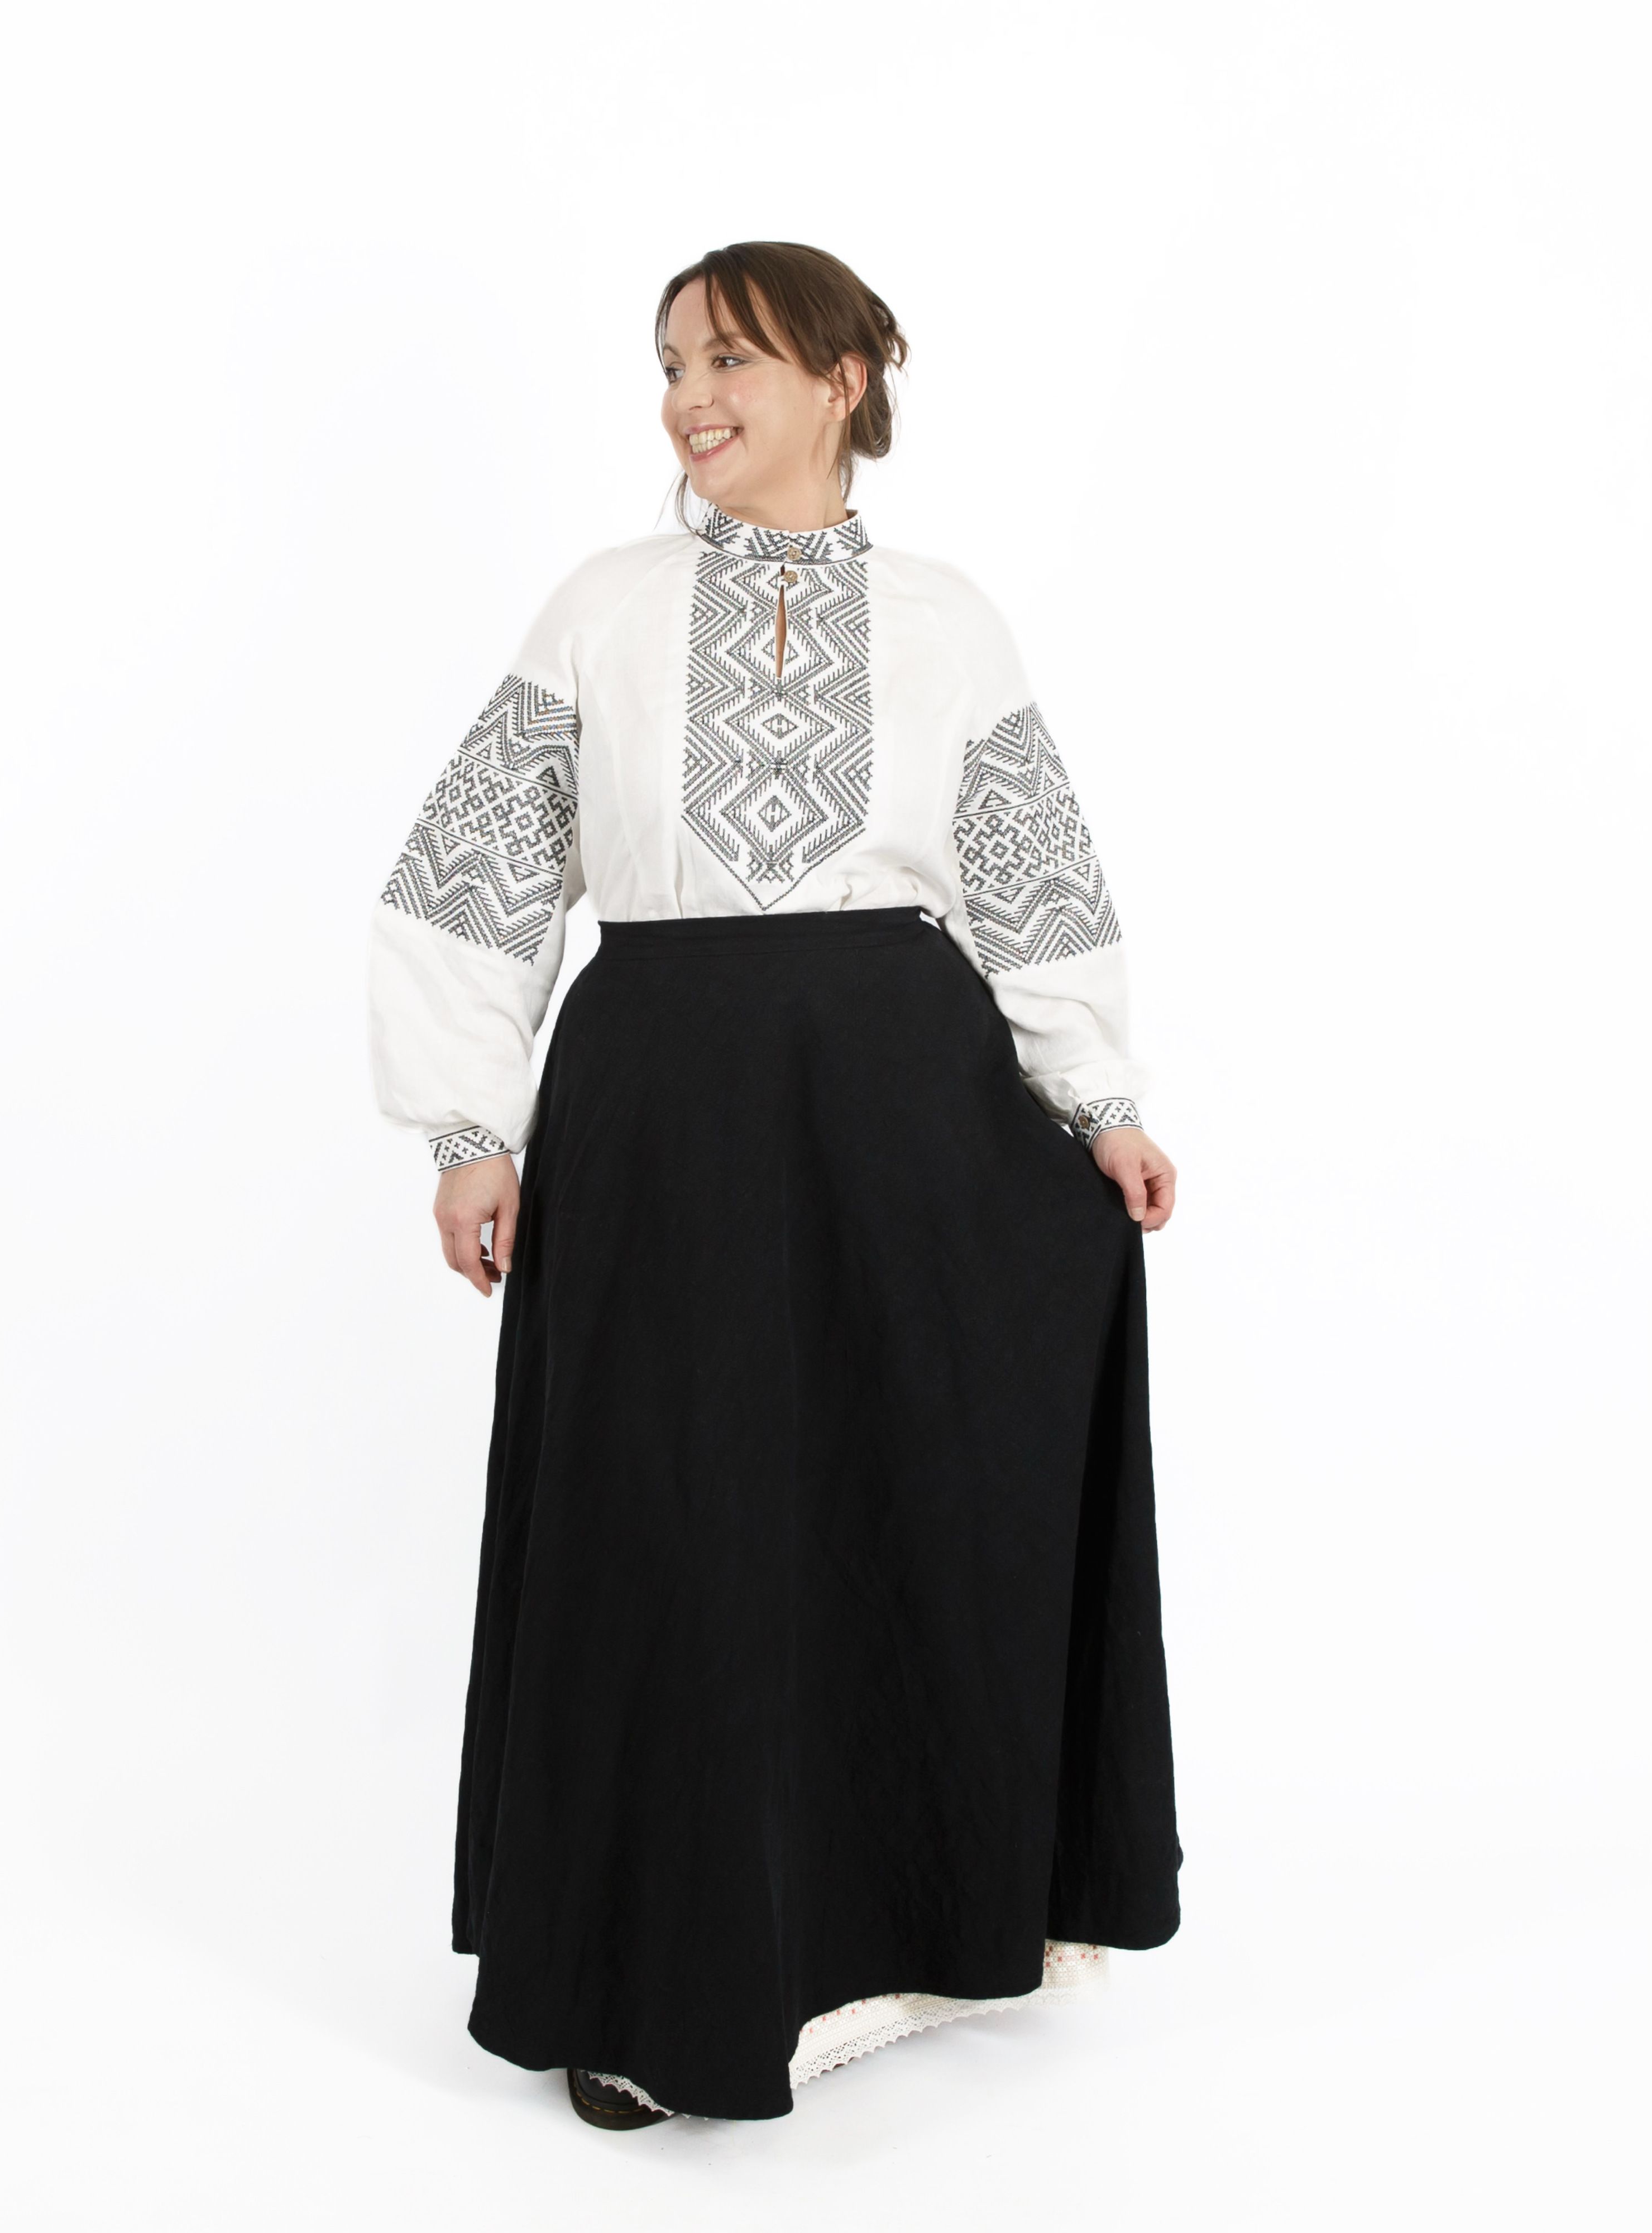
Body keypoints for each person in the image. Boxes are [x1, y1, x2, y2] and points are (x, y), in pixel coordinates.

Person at [366, 239, 1182, 2128]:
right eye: (671, 365)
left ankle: (893, 1939)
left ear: (846, 373)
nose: (689, 398)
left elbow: (1030, 877)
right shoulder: (601, 606)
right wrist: (470, 1129)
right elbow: (474, 878)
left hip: (907, 1120)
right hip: (661, 1114)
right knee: (666, 1519)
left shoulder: (954, 622)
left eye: (728, 357)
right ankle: (649, 1987)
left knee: (888, 1501)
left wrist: (1099, 1104)